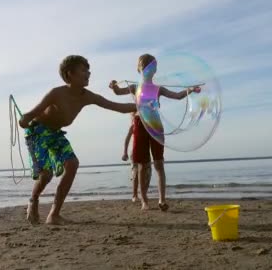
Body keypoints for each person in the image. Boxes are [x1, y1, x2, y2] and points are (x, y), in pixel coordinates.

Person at [19, 55, 137, 225]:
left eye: (88, 70)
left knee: (72, 164)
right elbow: (33, 112)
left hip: (56, 134)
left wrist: (143, 106)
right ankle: (33, 199)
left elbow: (117, 107)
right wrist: (24, 119)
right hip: (38, 132)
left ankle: (54, 215)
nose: (88, 73)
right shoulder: (56, 93)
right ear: (69, 75)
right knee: (46, 174)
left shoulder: (88, 96)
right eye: (83, 70)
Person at [109, 54, 200, 211]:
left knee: (159, 163)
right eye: (147, 65)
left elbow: (177, 96)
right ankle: (144, 201)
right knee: (143, 166)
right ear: (140, 68)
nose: (151, 68)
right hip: (140, 124)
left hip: (156, 125)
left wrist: (190, 90)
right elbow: (118, 92)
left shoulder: (159, 89)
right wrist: (114, 86)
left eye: (153, 65)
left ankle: (162, 200)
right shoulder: (134, 87)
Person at [121, 113, 152, 203]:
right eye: (134, 116)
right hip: (134, 153)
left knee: (147, 173)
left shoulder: (147, 125)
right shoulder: (133, 126)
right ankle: (135, 195)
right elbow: (127, 139)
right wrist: (125, 152)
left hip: (146, 153)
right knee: (135, 174)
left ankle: (144, 194)